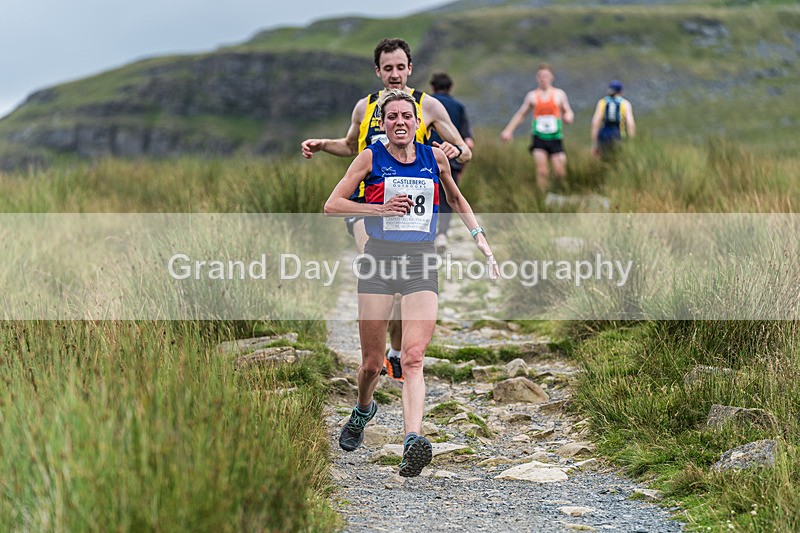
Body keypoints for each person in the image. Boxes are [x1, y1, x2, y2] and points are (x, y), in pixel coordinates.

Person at [324, 89, 498, 477]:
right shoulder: (370, 157)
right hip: (379, 261)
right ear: (383, 124)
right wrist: (378, 208)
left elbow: (456, 199)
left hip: (421, 261)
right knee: (371, 364)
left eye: (407, 116)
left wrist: (480, 239)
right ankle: (363, 409)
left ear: (418, 123)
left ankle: (412, 441)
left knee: (414, 358)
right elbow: (332, 204)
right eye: (392, 117)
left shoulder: (433, 157)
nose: (400, 122)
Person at [302, 38, 472, 382]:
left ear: (410, 69)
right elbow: (350, 146)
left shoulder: (429, 106)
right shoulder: (364, 108)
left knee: (402, 288)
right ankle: (374, 354)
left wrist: (456, 152)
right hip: (368, 207)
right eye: (387, 68)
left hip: (414, 212)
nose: (394, 75)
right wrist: (323, 145)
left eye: (400, 67)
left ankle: (395, 351)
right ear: (378, 71)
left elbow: (464, 150)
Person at [500, 63, 574, 191]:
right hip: (539, 137)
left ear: (551, 77)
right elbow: (521, 115)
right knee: (542, 171)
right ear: (537, 78)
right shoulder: (532, 96)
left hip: (555, 137)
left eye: (546, 76)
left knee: (560, 171)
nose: (543, 79)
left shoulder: (559, 94)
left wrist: (568, 116)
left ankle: (560, 194)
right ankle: (542, 197)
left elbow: (568, 110)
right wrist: (508, 131)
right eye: (540, 76)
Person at [428, 72, 475, 255]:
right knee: (450, 199)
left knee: (428, 197)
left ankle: (427, 234)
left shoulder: (426, 104)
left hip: (428, 157)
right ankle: (442, 234)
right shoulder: (459, 107)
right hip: (451, 158)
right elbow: (467, 141)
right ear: (450, 87)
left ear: (432, 86)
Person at [591, 80, 636, 160]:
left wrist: (595, 143)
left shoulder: (602, 102)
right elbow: (630, 124)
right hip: (618, 136)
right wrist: (632, 141)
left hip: (603, 136)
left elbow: (595, 123)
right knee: (617, 160)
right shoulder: (625, 104)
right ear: (621, 92)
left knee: (603, 160)